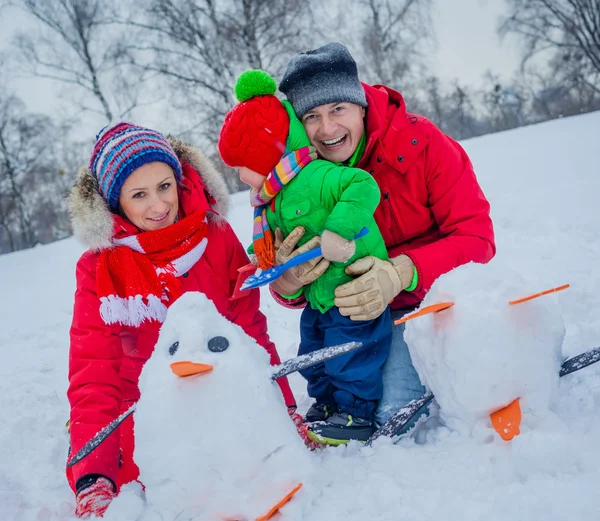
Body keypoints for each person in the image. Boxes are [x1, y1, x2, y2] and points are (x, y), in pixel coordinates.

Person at [66, 122, 297, 518]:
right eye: (139, 195)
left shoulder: (217, 236)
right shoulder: (99, 269)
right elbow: (94, 369)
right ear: (114, 202)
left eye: (164, 186)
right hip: (144, 405)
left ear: (179, 180)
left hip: (220, 388)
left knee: (248, 461)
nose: (159, 205)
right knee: (170, 482)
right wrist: (93, 475)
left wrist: (282, 410)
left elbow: (249, 333)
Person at [272, 42, 496, 432]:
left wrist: (402, 272)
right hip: (363, 320)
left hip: (436, 302)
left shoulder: (422, 143)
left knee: (412, 405)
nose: (327, 129)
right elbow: (287, 283)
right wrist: (289, 279)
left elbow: (478, 239)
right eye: (312, 116)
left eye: (337, 109)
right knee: (388, 413)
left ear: (360, 104)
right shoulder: (296, 181)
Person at [218, 70, 400, 445]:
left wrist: (338, 231)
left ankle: (356, 413)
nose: (239, 176)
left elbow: (362, 185)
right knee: (312, 349)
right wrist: (261, 261)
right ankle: (326, 403)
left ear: (266, 153)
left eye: (242, 165)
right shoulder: (273, 195)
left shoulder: (315, 174)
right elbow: (273, 239)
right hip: (318, 296)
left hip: (355, 288)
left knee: (350, 354)